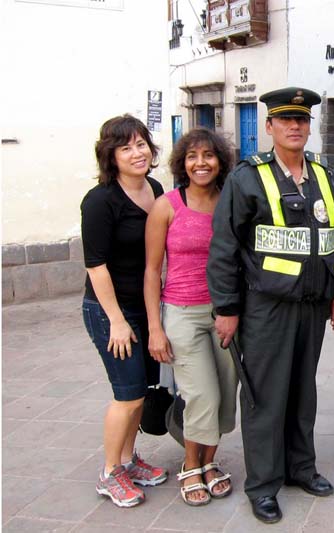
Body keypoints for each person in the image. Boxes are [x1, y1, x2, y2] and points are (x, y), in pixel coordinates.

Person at [206, 87, 334, 524]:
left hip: (312, 305)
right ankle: (263, 484)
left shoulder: (325, 175)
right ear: (268, 126)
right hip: (265, 306)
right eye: (286, 120)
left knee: (302, 392)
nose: (295, 127)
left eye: (302, 120)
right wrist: (227, 308)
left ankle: (300, 468)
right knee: (265, 397)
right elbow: (225, 248)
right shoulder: (247, 177)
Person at [143, 128, 238, 506]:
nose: (202, 163)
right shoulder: (167, 205)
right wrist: (155, 327)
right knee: (202, 394)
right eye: (193, 156)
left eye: (209, 155)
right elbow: (152, 271)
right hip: (181, 313)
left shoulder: (230, 202)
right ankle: (189, 464)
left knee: (227, 396)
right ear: (182, 163)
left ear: (220, 161)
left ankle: (210, 464)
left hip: (225, 313)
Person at [80, 114, 168, 508]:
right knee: (128, 395)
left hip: (146, 304)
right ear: (110, 156)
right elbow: (95, 265)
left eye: (141, 144)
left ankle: (130, 461)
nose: (137, 153)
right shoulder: (100, 200)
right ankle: (110, 471)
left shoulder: (156, 188)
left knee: (143, 390)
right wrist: (116, 320)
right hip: (109, 310)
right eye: (125, 147)